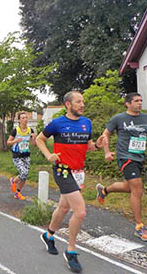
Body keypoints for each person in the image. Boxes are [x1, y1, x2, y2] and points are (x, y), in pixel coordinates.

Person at [35, 91, 106, 273]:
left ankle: (49, 235)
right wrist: (49, 155)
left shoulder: (86, 123)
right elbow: (39, 139)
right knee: (80, 212)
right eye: (78, 101)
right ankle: (71, 250)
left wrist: (96, 145)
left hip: (78, 172)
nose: (82, 104)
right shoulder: (58, 123)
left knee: (64, 208)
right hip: (62, 170)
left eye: (83, 101)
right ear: (68, 104)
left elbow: (87, 146)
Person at [96, 92, 147, 242]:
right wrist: (106, 152)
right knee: (138, 189)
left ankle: (104, 190)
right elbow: (105, 135)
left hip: (139, 157)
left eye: (141, 100)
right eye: (136, 101)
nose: (140, 103)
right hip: (125, 157)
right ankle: (139, 226)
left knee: (129, 188)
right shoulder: (119, 119)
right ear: (128, 104)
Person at [7, 112, 36, 200]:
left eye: (26, 118)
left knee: (25, 176)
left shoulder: (30, 130)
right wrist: (16, 141)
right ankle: (13, 180)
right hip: (17, 155)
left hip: (26, 155)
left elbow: (34, 145)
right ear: (19, 120)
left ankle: (17, 193)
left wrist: (34, 138)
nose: (25, 119)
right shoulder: (16, 130)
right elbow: (8, 142)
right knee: (23, 172)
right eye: (23, 118)